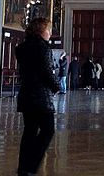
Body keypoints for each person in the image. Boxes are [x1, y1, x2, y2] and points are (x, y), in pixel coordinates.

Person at [15, 17, 59, 176]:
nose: (50, 33)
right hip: (41, 96)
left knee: (29, 131)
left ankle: (23, 167)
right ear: (41, 31)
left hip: (26, 94)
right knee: (48, 130)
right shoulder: (43, 48)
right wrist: (57, 86)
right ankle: (31, 167)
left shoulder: (22, 48)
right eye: (48, 29)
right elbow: (46, 71)